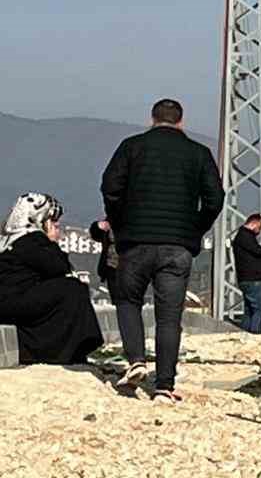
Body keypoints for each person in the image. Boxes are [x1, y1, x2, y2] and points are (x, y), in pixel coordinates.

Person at [99, 99, 224, 401]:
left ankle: (136, 361)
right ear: (181, 122)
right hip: (177, 247)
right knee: (169, 316)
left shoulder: (131, 147)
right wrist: (194, 230)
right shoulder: (199, 153)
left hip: (136, 242)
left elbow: (110, 187)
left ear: (152, 119)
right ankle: (165, 386)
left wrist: (121, 222)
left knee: (128, 301)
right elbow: (215, 199)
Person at [0, 194, 103, 365]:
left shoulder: (11, 238)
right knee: (73, 289)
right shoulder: (32, 239)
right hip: (13, 302)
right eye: (52, 222)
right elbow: (59, 267)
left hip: (10, 299)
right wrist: (52, 242)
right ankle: (68, 353)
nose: (57, 227)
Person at [231, 214, 261, 334]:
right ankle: (254, 334)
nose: (259, 231)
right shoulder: (245, 236)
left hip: (245, 278)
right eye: (260, 227)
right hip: (252, 278)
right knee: (260, 309)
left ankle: (244, 333)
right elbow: (257, 251)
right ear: (254, 223)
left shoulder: (242, 236)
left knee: (250, 309)